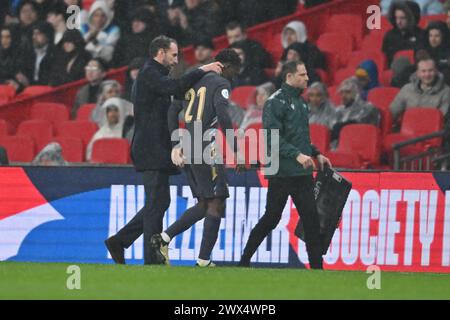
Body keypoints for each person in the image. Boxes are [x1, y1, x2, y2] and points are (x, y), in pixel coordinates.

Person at [104, 35, 223, 265]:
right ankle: (151, 259)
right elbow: (176, 86)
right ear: (161, 52)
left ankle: (120, 241)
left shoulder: (154, 75)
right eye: (174, 54)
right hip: (150, 149)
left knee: (158, 202)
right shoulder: (149, 73)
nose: (176, 60)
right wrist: (203, 69)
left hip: (156, 147)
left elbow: (177, 92)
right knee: (156, 202)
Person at [150, 49, 242, 267]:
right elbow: (223, 115)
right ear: (227, 66)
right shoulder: (220, 83)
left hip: (188, 144)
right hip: (205, 146)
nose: (235, 76)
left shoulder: (192, 78)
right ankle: (203, 260)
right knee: (216, 202)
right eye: (235, 71)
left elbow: (172, 111)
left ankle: (163, 239)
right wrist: (235, 150)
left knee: (204, 203)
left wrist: (176, 144)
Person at [239, 60, 332, 269]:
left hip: (301, 173)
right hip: (281, 172)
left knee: (311, 219)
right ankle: (244, 260)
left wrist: (316, 153)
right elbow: (272, 138)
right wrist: (297, 155)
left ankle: (317, 269)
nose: (307, 78)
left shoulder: (301, 103)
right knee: (271, 218)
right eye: (302, 74)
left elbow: (299, 137)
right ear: (289, 77)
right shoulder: (274, 102)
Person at [390, 57, 450, 122]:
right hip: (407, 128)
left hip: (432, 130)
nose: (427, 74)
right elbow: (392, 113)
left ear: (436, 71)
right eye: (423, 71)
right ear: (418, 73)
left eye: (430, 70)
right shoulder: (407, 88)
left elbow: (441, 119)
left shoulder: (446, 91)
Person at [331, 77, 380, 143]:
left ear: (357, 92)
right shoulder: (339, 110)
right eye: (342, 92)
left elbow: (357, 128)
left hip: (359, 144)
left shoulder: (369, 108)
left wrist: (340, 128)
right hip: (340, 145)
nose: (343, 96)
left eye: (347, 92)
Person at [382, 0, 427, 66]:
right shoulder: (389, 35)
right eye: (396, 18)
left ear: (412, 18)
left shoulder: (421, 35)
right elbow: (385, 58)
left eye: (402, 18)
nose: (398, 22)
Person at [18, 21, 56, 86]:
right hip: (29, 89)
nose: (34, 37)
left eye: (38, 34)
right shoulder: (28, 53)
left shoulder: (55, 54)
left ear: (47, 36)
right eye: (33, 34)